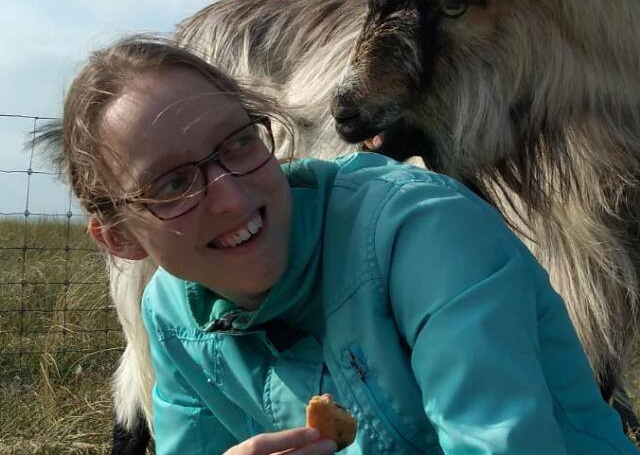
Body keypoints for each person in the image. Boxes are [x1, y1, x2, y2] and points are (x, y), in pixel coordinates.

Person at [52, 34, 637, 454]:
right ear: (120, 238)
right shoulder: (173, 318)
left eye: (237, 144)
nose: (231, 198)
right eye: (173, 183)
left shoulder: (423, 233)